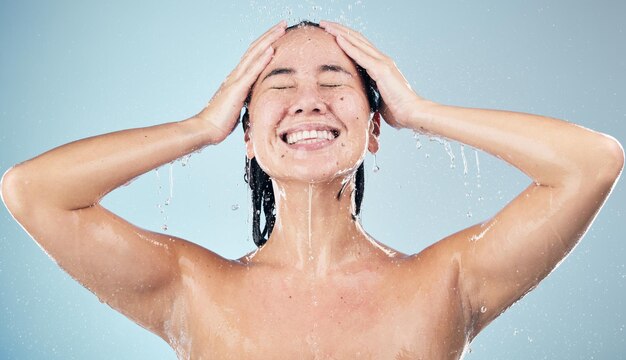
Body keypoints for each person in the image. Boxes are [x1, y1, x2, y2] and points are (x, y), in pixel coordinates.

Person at [0, 19, 623, 359]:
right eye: (277, 86)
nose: (308, 102)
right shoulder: (190, 288)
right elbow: (31, 190)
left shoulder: (446, 282)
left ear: (373, 127)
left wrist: (418, 109)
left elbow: (593, 162)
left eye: (334, 81)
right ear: (247, 133)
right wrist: (200, 127)